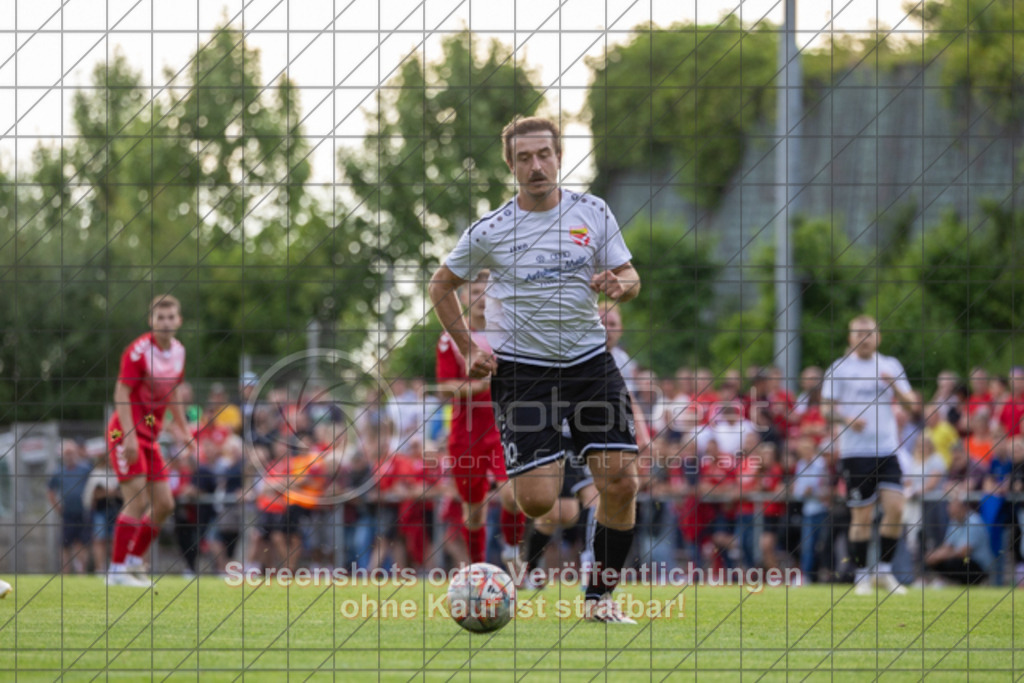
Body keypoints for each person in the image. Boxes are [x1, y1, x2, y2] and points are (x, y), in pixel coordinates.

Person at [429, 115, 642, 623]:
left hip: (590, 363)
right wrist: (466, 349)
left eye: (544, 154)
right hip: (524, 373)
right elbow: (440, 285)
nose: (536, 165)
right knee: (537, 500)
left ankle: (599, 601)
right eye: (524, 158)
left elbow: (630, 274)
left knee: (621, 483)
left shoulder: (593, 211)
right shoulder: (491, 230)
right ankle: (516, 553)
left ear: (559, 156)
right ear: (511, 165)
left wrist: (623, 285)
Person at [435, 270, 525, 567]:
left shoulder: (508, 335)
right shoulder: (451, 339)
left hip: (504, 430)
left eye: (486, 292)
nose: (481, 298)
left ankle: (513, 558)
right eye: (474, 292)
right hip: (466, 435)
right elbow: (444, 387)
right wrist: (480, 386)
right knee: (474, 511)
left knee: (514, 495)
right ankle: (477, 569)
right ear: (462, 298)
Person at [822, 314, 916, 596]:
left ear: (879, 337)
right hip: (855, 453)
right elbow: (826, 409)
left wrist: (895, 387)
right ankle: (862, 575)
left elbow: (912, 406)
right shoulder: (839, 369)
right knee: (861, 517)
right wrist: (848, 420)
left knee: (896, 508)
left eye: (869, 333)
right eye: (858, 333)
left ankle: (884, 572)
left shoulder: (890, 365)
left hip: (887, 450)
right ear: (850, 337)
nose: (864, 339)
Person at [106, 294, 194, 587]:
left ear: (179, 320)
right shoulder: (139, 351)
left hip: (151, 436)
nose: (166, 323)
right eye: (160, 318)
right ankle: (116, 572)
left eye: (171, 317)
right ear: (151, 322)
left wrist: (183, 430)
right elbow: (121, 393)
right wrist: (128, 436)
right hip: (125, 433)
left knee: (165, 503)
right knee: (137, 499)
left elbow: (173, 393)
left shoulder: (179, 352)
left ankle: (133, 562)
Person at [925, 487, 993, 585]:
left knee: (953, 562)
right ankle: (945, 581)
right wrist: (934, 555)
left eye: (953, 505)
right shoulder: (954, 522)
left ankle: (972, 583)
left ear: (962, 506)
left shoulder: (973, 522)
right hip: (963, 560)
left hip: (977, 565)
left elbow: (963, 552)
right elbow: (947, 546)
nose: (949, 508)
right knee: (934, 558)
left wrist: (940, 556)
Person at [47, 439, 94, 574]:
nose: (69, 456)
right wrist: (58, 508)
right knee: (65, 543)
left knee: (82, 543)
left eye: (71, 452)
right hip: (67, 513)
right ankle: (66, 572)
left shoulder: (86, 469)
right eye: (66, 453)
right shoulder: (58, 472)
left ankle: (81, 572)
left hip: (83, 512)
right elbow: (50, 491)